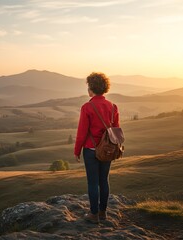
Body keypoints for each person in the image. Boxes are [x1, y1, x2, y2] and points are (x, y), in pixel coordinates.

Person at [74, 72, 120, 224]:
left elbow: (82, 132)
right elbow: (116, 129)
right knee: (104, 181)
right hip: (107, 150)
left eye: (88, 86)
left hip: (91, 150)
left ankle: (93, 215)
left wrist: (77, 151)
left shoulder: (87, 107)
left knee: (93, 183)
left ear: (92, 88)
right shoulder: (113, 107)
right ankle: (103, 213)